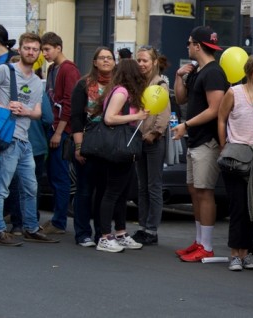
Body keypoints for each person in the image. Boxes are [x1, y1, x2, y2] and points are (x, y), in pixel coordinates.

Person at [0, 32, 58, 245]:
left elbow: (38, 112)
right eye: (27, 48)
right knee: (0, 187)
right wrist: (4, 107)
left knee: (31, 187)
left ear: (39, 53)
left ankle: (30, 227)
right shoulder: (4, 71)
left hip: (24, 141)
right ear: (19, 49)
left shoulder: (38, 81)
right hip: (6, 138)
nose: (31, 52)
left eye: (35, 49)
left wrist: (25, 110)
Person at [172, 26, 229, 262]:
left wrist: (186, 125)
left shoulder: (214, 73)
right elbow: (182, 98)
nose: (187, 46)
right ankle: (198, 241)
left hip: (207, 140)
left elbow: (215, 109)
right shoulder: (197, 70)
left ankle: (206, 245)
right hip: (196, 139)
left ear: (197, 45)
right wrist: (178, 76)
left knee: (205, 192)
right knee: (195, 191)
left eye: (189, 43)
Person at [217, 55, 253, 272]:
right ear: (249, 70)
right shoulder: (234, 92)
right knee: (238, 205)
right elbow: (222, 118)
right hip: (235, 154)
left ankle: (246, 253)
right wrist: (224, 145)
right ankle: (234, 254)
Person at [94, 59, 148, 253]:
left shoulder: (123, 91)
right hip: (118, 148)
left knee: (121, 193)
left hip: (122, 148)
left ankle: (120, 232)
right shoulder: (121, 92)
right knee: (112, 192)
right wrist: (136, 116)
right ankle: (104, 236)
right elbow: (109, 118)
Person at [70, 47, 115, 247]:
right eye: (102, 58)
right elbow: (76, 118)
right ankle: (82, 233)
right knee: (84, 190)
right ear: (95, 62)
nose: (106, 61)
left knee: (104, 192)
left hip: (110, 146)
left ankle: (102, 233)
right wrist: (78, 146)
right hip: (88, 142)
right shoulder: (83, 84)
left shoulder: (119, 86)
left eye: (110, 58)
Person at [39, 32, 81, 235]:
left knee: (60, 176)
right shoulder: (52, 69)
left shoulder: (68, 69)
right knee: (54, 174)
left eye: (47, 49)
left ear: (58, 47)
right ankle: (56, 218)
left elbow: (69, 103)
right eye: (43, 49)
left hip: (61, 131)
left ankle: (59, 221)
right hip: (51, 127)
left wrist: (59, 132)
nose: (44, 53)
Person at [131, 46, 171, 246]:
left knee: (153, 186)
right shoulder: (140, 83)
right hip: (139, 139)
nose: (141, 64)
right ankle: (142, 226)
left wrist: (154, 133)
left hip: (153, 141)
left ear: (154, 62)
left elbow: (163, 114)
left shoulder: (160, 84)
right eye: (139, 60)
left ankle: (151, 229)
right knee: (142, 186)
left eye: (145, 60)